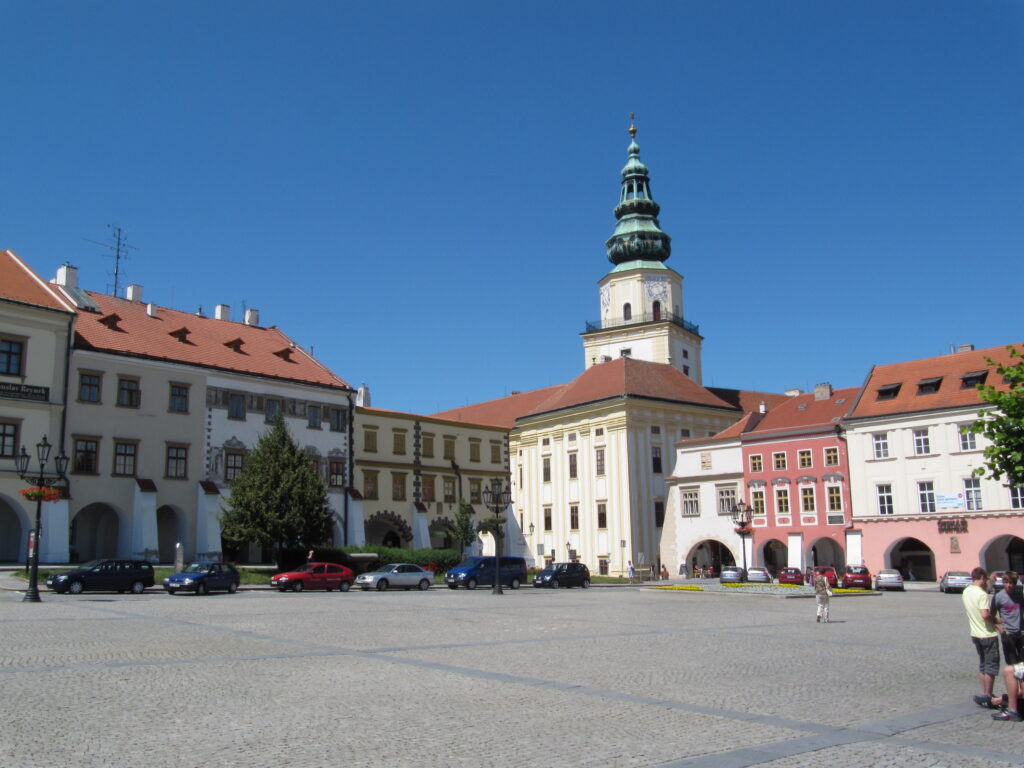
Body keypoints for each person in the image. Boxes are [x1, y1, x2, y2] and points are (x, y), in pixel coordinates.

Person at [962, 567, 1002, 710]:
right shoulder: (981, 594)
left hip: (975, 633)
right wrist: (996, 620)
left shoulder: (967, 591)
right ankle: (988, 695)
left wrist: (991, 580)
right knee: (991, 666)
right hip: (987, 633)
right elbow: (985, 614)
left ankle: (984, 693)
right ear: (982, 578)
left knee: (983, 665)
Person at [991, 570, 1023, 721]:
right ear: (1003, 583)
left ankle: (1018, 694)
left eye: (1012, 583)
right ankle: (1014, 694)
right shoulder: (999, 597)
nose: (1010, 585)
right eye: (1007, 583)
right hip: (1008, 635)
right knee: (1012, 667)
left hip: (1020, 634)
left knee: (1020, 667)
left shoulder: (1019, 595)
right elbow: (991, 615)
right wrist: (1000, 628)